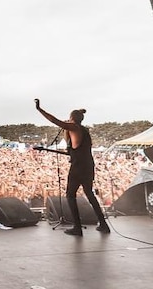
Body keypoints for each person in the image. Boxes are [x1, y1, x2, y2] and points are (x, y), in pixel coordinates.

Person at [34, 99, 109, 236]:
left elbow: (55, 121)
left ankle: (77, 227)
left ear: (72, 119)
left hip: (79, 167)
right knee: (90, 194)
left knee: (70, 195)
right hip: (88, 165)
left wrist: (40, 109)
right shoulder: (83, 131)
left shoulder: (74, 128)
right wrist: (47, 150)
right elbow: (72, 151)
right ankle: (103, 224)